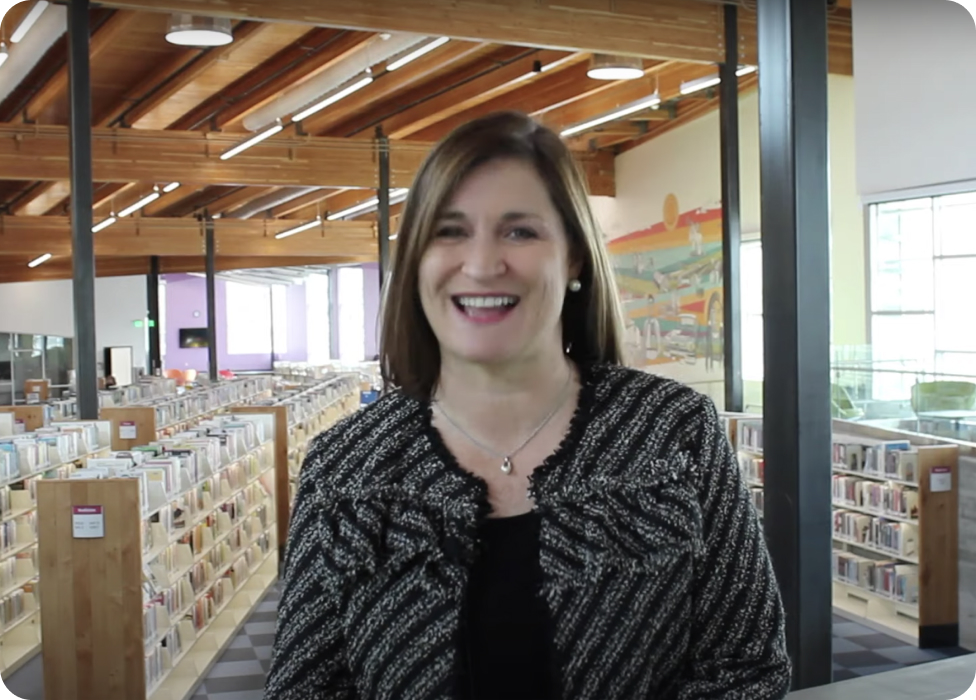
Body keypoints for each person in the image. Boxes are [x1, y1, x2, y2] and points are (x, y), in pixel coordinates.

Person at [264, 111, 791, 700]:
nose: (484, 263)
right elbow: (304, 689)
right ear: (415, 263)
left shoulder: (674, 434)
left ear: (573, 260)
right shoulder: (345, 468)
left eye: (520, 232)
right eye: (449, 231)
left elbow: (747, 668)